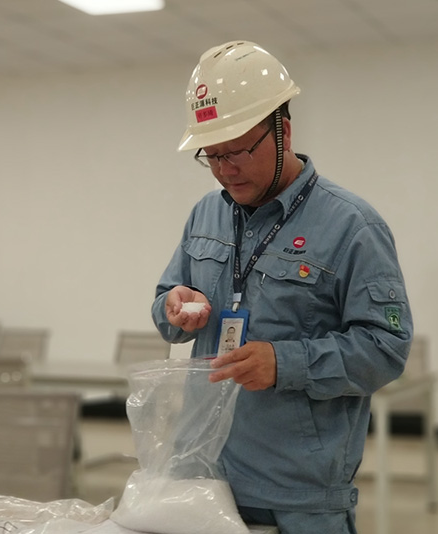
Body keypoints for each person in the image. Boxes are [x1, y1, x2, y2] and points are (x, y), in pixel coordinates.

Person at [151, 40, 413, 534]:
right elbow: (167, 299)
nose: (225, 170)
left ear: (283, 132)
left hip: (297, 495)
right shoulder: (206, 215)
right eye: (212, 155)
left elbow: (386, 348)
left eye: (237, 151)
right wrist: (174, 307)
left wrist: (285, 363)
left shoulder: (351, 226)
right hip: (200, 475)